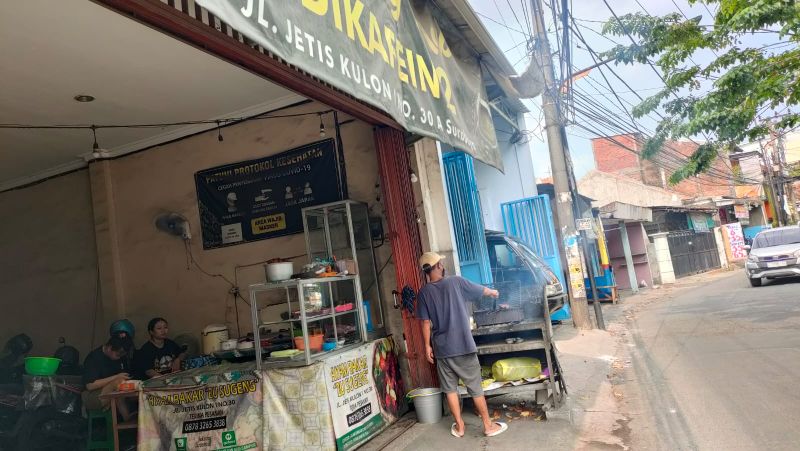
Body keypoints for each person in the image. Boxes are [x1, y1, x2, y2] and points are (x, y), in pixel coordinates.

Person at [416, 252, 508, 438]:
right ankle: (488, 426)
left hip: (442, 349)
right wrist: (493, 292)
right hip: (463, 345)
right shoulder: (455, 282)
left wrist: (427, 346)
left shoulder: (424, 293)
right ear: (438, 266)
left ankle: (460, 427)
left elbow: (425, 323)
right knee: (475, 387)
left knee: (450, 389)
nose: (442, 265)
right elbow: (480, 290)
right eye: (441, 263)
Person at [82, 335, 134, 420]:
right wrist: (116, 377)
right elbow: (90, 385)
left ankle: (128, 421)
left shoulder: (121, 358)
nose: (120, 357)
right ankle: (126, 419)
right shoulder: (94, 358)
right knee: (118, 382)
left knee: (122, 385)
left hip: (112, 394)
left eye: (122, 354)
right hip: (91, 397)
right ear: (109, 348)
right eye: (118, 354)